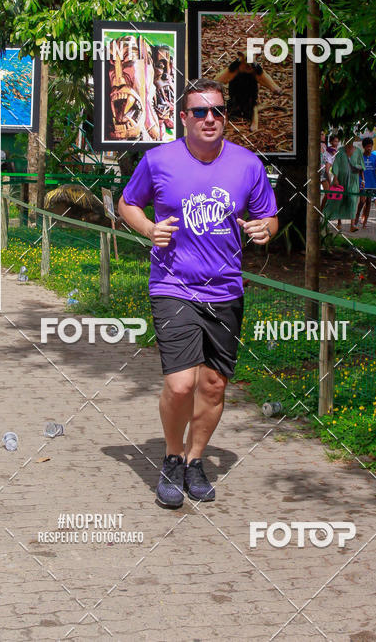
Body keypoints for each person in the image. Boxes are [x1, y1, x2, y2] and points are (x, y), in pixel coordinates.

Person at [118, 78, 278, 508]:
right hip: (173, 285)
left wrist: (265, 229)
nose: (211, 119)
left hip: (226, 288)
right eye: (201, 112)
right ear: (184, 118)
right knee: (181, 383)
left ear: (226, 117)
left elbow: (268, 215)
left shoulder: (247, 165)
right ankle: (171, 458)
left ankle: (195, 461)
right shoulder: (158, 160)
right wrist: (150, 229)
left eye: (218, 112)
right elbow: (127, 203)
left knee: (212, 385)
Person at [324, 138, 365, 232]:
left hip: (354, 181)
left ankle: (352, 225)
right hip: (341, 180)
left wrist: (362, 179)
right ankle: (339, 223)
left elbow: (362, 165)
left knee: (353, 200)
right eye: (347, 138)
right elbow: (336, 164)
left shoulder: (358, 151)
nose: (349, 141)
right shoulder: (340, 151)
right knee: (340, 200)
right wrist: (335, 178)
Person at [354, 138, 376, 228]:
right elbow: (358, 170)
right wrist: (359, 181)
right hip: (363, 182)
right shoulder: (361, 157)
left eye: (370, 146)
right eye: (367, 146)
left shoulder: (375, 158)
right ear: (364, 147)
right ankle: (357, 217)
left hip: (372, 183)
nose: (369, 148)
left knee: (369, 202)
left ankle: (365, 223)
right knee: (362, 201)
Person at [321, 133, 339, 210]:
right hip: (325, 173)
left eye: (337, 141)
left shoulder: (333, 150)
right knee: (328, 194)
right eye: (335, 141)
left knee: (329, 195)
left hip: (329, 172)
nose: (337, 143)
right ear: (331, 142)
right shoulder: (330, 150)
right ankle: (321, 210)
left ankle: (322, 210)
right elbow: (327, 169)